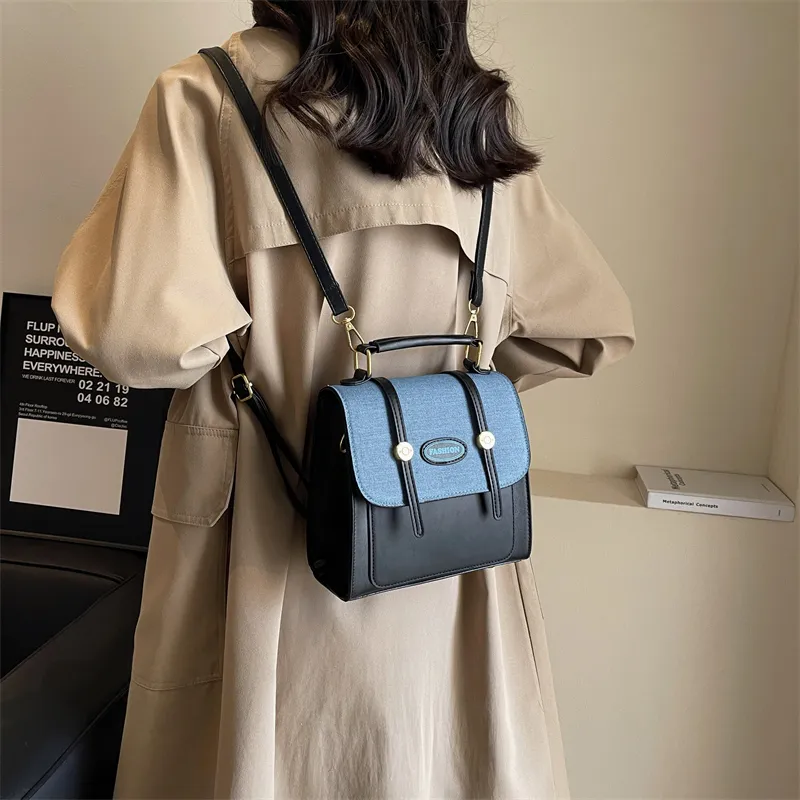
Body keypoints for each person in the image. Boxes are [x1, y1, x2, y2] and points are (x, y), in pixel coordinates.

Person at [52, 2, 635, 797]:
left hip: (269, 546)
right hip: (454, 557)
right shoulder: (473, 122)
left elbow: (132, 337)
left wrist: (259, 349)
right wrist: (443, 389)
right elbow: (583, 327)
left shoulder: (211, 98)